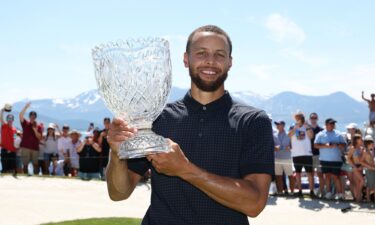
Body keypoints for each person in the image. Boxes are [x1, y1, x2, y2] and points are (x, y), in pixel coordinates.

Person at [106, 25, 274, 225]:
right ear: (186, 59)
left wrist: (185, 169)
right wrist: (117, 154)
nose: (210, 61)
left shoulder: (253, 121)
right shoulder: (156, 118)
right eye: (201, 53)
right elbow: (118, 193)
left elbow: (254, 204)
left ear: (230, 62)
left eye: (219, 55)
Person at [314, 118, 346, 200]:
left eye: (333, 124)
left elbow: (344, 145)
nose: (332, 125)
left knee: (336, 177)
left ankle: (339, 194)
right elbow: (315, 145)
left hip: (336, 159)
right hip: (324, 159)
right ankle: (328, 193)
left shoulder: (338, 134)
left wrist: (337, 144)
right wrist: (326, 146)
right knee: (327, 176)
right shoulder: (320, 134)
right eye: (330, 123)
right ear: (326, 125)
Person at [288, 112, 315, 197]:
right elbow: (289, 135)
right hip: (296, 154)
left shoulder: (307, 126)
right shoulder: (292, 127)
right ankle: (300, 191)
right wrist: (295, 128)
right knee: (298, 173)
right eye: (297, 118)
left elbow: (311, 136)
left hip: (307, 153)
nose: (298, 120)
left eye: (300, 118)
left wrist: (306, 127)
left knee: (310, 173)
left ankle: (311, 191)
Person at [19, 102, 43, 175]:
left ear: (35, 117)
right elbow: (20, 115)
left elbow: (39, 137)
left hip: (35, 148)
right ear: (29, 117)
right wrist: (25, 107)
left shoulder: (39, 126)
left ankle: (35, 179)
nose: (32, 117)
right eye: (31, 115)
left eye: (34, 116)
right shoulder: (25, 123)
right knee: (25, 165)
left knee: (35, 165)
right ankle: (25, 178)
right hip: (25, 147)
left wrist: (35, 129)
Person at [273, 120, 294, 195]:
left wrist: (289, 147)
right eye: (277, 124)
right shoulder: (274, 135)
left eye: (279, 124)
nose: (277, 126)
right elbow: (272, 146)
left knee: (290, 176)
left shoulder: (288, 134)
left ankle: (292, 192)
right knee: (278, 176)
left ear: (283, 126)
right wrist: (275, 148)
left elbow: (292, 145)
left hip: (287, 158)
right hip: (277, 158)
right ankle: (280, 192)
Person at [309, 112, 324, 197]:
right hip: (309, 154)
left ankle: (322, 192)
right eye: (312, 118)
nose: (313, 119)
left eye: (315, 118)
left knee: (320, 174)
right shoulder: (307, 129)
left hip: (318, 155)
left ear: (317, 119)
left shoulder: (321, 130)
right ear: (310, 119)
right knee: (310, 174)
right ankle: (312, 192)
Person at [347, 134, 364, 202]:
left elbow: (363, 159)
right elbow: (348, 158)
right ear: (356, 140)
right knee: (359, 182)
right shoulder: (352, 148)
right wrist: (354, 166)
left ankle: (358, 197)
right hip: (355, 166)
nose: (361, 140)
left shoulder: (361, 148)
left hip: (361, 166)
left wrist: (362, 166)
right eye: (360, 139)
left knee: (359, 182)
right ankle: (357, 197)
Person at [1, 108, 17, 175]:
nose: (10, 120)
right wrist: (2, 110)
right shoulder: (4, 126)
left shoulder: (15, 129)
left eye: (11, 119)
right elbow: (1, 118)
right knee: (5, 169)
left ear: (13, 120)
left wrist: (14, 148)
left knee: (12, 169)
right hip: (4, 150)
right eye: (8, 118)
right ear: (7, 120)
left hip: (12, 151)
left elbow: (15, 139)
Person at [360, 135, 375, 202]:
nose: (373, 144)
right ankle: (368, 199)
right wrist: (369, 166)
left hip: (372, 169)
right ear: (369, 143)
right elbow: (361, 161)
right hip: (369, 170)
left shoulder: (370, 151)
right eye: (372, 143)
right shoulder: (365, 152)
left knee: (372, 185)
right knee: (369, 185)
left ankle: (370, 198)